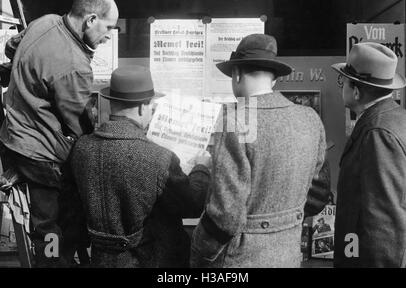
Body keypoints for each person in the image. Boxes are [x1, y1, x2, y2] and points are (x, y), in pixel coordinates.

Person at [0, 0, 119, 267]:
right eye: (108, 27)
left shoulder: (45, 21)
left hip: (13, 134)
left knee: (56, 223)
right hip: (39, 153)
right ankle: (54, 262)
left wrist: (27, 70)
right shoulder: (75, 66)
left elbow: (11, 47)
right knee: (52, 228)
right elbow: (76, 123)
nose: (109, 35)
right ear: (91, 20)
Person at [190, 34, 326, 268]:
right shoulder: (310, 119)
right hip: (289, 256)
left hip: (240, 260)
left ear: (237, 74)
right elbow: (319, 194)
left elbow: (225, 217)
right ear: (273, 79)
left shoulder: (234, 122)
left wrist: (199, 252)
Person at [71, 66, 210, 268]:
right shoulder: (159, 157)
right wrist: (201, 169)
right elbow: (192, 205)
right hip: (152, 260)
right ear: (141, 108)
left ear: (112, 104)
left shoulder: (82, 148)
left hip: (103, 261)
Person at [332, 42, 406, 268]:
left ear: (356, 90)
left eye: (342, 81)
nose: (341, 86)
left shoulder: (377, 132)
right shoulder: (394, 117)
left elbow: (384, 221)